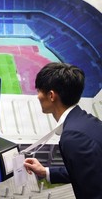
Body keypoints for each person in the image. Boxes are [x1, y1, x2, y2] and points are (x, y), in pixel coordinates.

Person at [23, 62, 102, 199]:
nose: (37, 96)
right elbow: (85, 171)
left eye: (39, 91)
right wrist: (45, 172)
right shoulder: (84, 122)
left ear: (51, 96)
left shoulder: (73, 137)